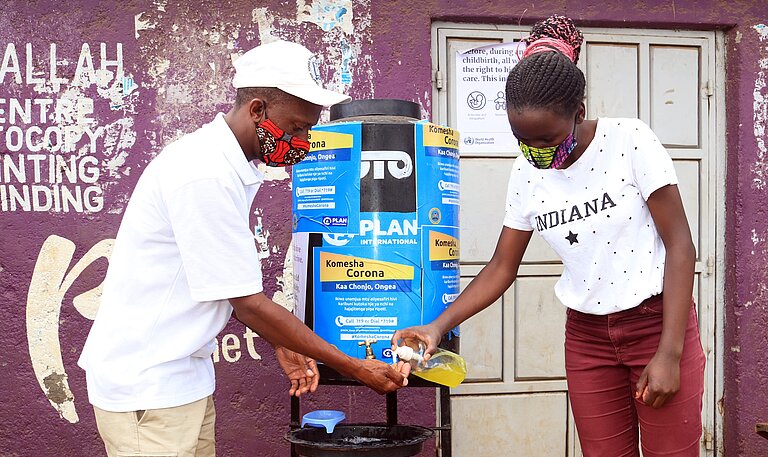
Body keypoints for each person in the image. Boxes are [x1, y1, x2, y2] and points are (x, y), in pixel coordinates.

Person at [392, 15, 705, 457]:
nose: (537, 153)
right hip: (588, 338)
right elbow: (502, 267)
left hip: (658, 323)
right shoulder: (527, 174)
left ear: (578, 112)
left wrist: (670, 352)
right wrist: (437, 326)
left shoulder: (629, 141)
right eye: (524, 141)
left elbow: (679, 245)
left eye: (546, 139)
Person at [78, 40, 408, 457]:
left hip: (182, 381)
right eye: (297, 128)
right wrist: (352, 365)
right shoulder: (204, 175)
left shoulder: (222, 166)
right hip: (149, 387)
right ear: (257, 110)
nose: (304, 141)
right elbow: (248, 303)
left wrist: (281, 342)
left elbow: (222, 283)